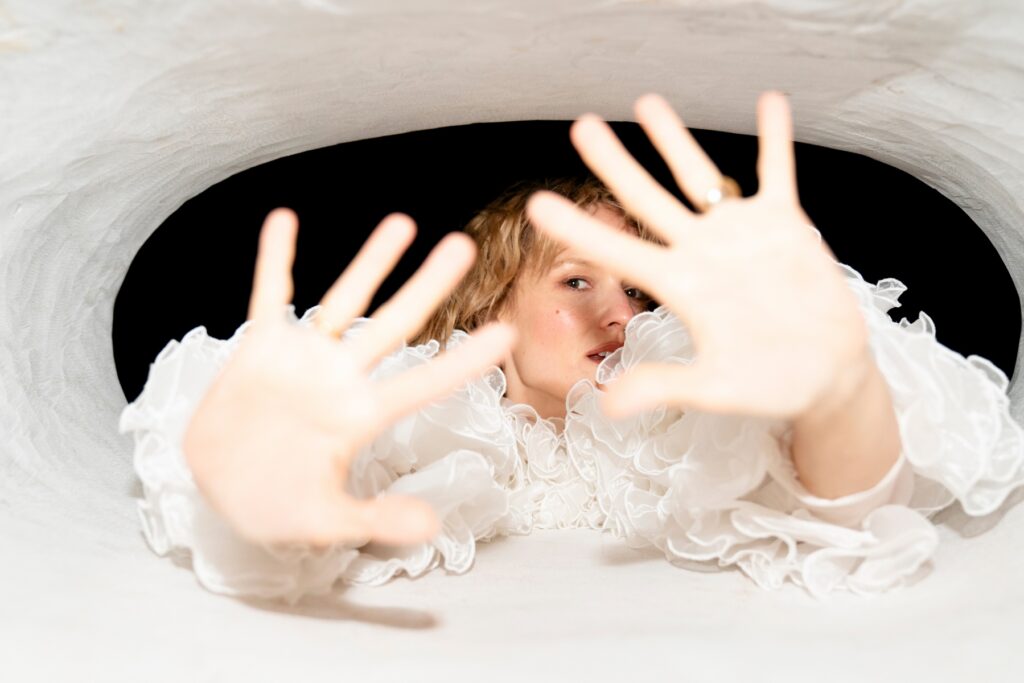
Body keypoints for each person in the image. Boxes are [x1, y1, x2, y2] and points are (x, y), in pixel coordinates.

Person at [119, 92, 1024, 602]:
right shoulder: (424, 409)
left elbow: (851, 522)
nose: (618, 313)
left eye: (636, 289)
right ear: (491, 297)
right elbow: (297, 508)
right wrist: (261, 485)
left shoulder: (672, 424)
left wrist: (839, 390)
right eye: (577, 281)